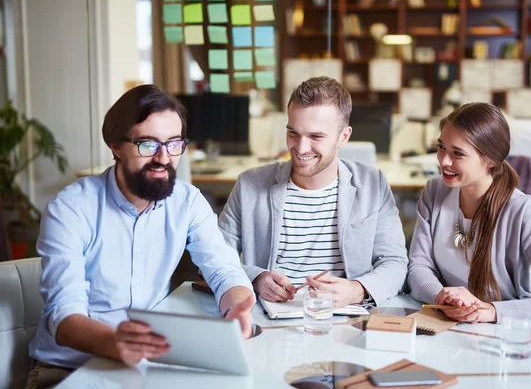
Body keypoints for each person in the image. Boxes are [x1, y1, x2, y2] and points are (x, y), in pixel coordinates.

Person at [27, 85, 254, 388]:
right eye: (147, 144)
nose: (163, 158)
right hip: (67, 369)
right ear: (116, 146)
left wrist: (237, 305)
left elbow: (224, 268)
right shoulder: (70, 209)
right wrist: (115, 342)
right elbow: (63, 315)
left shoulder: (186, 201)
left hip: (145, 368)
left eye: (174, 144)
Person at [218, 77, 408, 308]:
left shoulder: (373, 184)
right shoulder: (249, 184)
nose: (301, 148)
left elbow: (396, 263)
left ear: (343, 137)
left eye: (315, 137)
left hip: (345, 317)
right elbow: (213, 258)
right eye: (293, 133)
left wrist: (358, 290)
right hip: (267, 316)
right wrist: (256, 278)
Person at [408, 102, 531, 323]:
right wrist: (444, 298)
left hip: (503, 335)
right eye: (441, 147)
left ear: (490, 160)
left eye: (458, 153)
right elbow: (418, 267)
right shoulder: (435, 191)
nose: (444, 160)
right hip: (449, 326)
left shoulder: (523, 212)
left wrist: (490, 311)